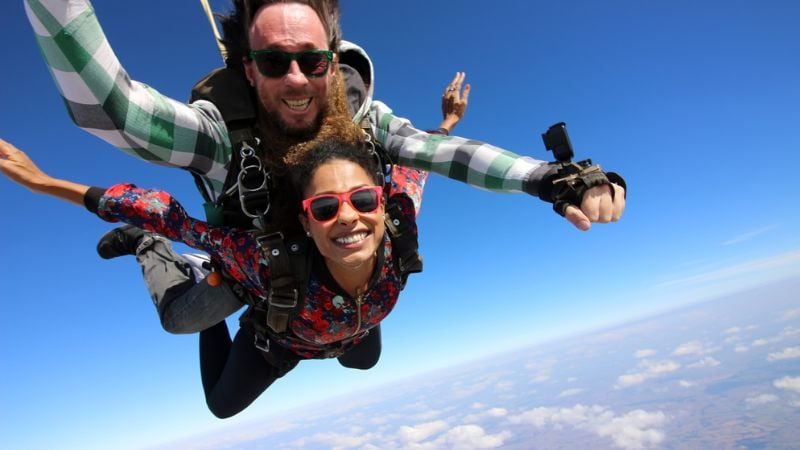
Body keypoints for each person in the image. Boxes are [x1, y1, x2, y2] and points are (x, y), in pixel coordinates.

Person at [23, 0, 625, 336]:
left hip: (336, 274)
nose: (296, 80)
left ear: (334, 64)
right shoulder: (222, 138)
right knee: (184, 320)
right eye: (273, 61)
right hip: (246, 260)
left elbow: (437, 157)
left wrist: (552, 179)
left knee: (362, 342)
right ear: (248, 69)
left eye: (312, 61)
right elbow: (115, 111)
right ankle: (151, 250)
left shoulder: (365, 124)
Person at [0, 112, 425, 417]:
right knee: (218, 398)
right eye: (326, 207)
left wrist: (444, 126)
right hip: (277, 336)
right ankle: (175, 260)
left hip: (348, 332)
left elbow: (416, 169)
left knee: (364, 360)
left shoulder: (399, 228)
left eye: (363, 199)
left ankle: (243, 286)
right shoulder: (265, 257)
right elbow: (171, 220)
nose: (349, 216)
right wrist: (46, 184)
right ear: (305, 222)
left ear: (382, 203)